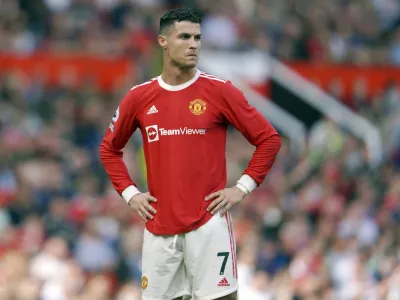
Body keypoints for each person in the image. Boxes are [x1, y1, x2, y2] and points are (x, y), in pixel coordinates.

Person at [100, 7, 281, 300]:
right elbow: (109, 149)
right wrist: (130, 194)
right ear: (163, 41)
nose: (193, 44)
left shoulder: (219, 90)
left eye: (197, 37)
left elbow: (269, 139)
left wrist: (242, 187)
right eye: (184, 37)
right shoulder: (139, 97)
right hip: (160, 229)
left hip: (209, 224)